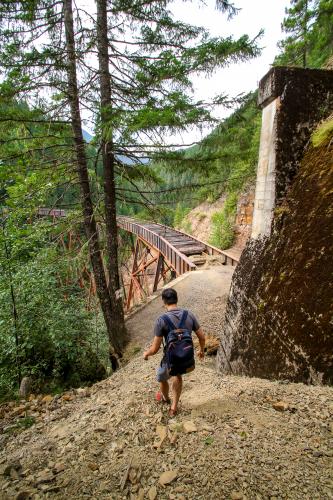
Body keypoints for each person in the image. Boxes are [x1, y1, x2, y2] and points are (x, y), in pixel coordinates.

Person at [143, 287, 205, 416]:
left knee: (161, 376)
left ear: (164, 302)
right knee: (178, 375)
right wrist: (201, 351)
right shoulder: (189, 315)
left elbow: (155, 349)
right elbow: (202, 337)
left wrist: (146, 353)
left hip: (171, 358)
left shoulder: (161, 320)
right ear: (176, 299)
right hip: (186, 357)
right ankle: (174, 408)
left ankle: (166, 399)